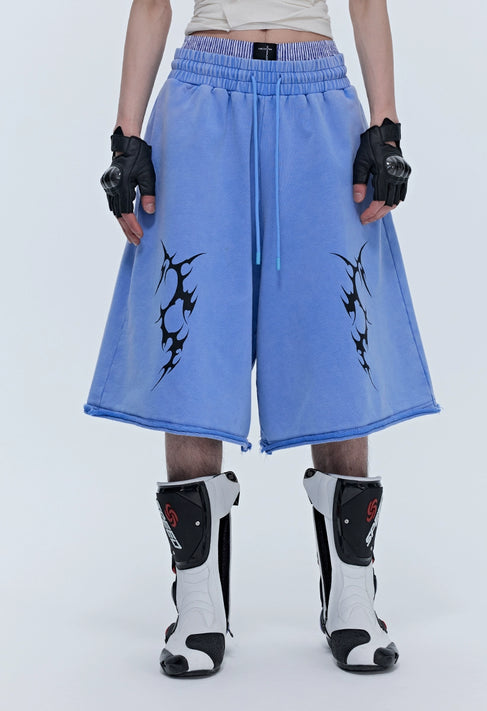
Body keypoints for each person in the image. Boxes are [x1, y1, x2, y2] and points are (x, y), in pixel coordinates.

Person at [85, 0, 441, 677]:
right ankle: (198, 602)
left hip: (317, 101)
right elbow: (152, 2)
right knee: (192, 348)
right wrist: (125, 139)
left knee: (337, 345)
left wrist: (386, 128)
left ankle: (352, 595)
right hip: (202, 98)